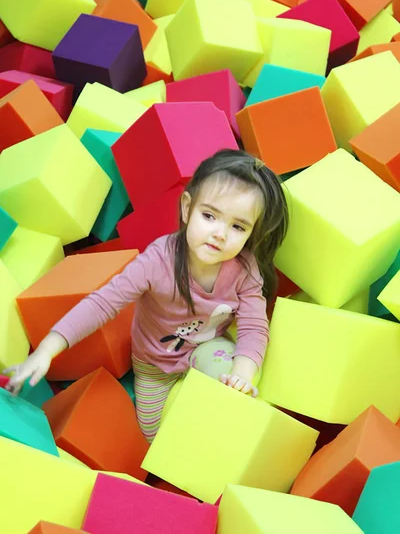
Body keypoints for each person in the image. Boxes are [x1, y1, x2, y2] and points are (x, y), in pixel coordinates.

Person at [4, 149, 289, 442]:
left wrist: (241, 375)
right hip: (154, 365)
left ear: (251, 233)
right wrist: (46, 350)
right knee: (152, 437)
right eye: (209, 216)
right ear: (187, 208)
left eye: (237, 226)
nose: (220, 233)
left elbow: (254, 326)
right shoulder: (157, 262)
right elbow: (102, 303)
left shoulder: (245, 268)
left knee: (233, 395)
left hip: (208, 347)